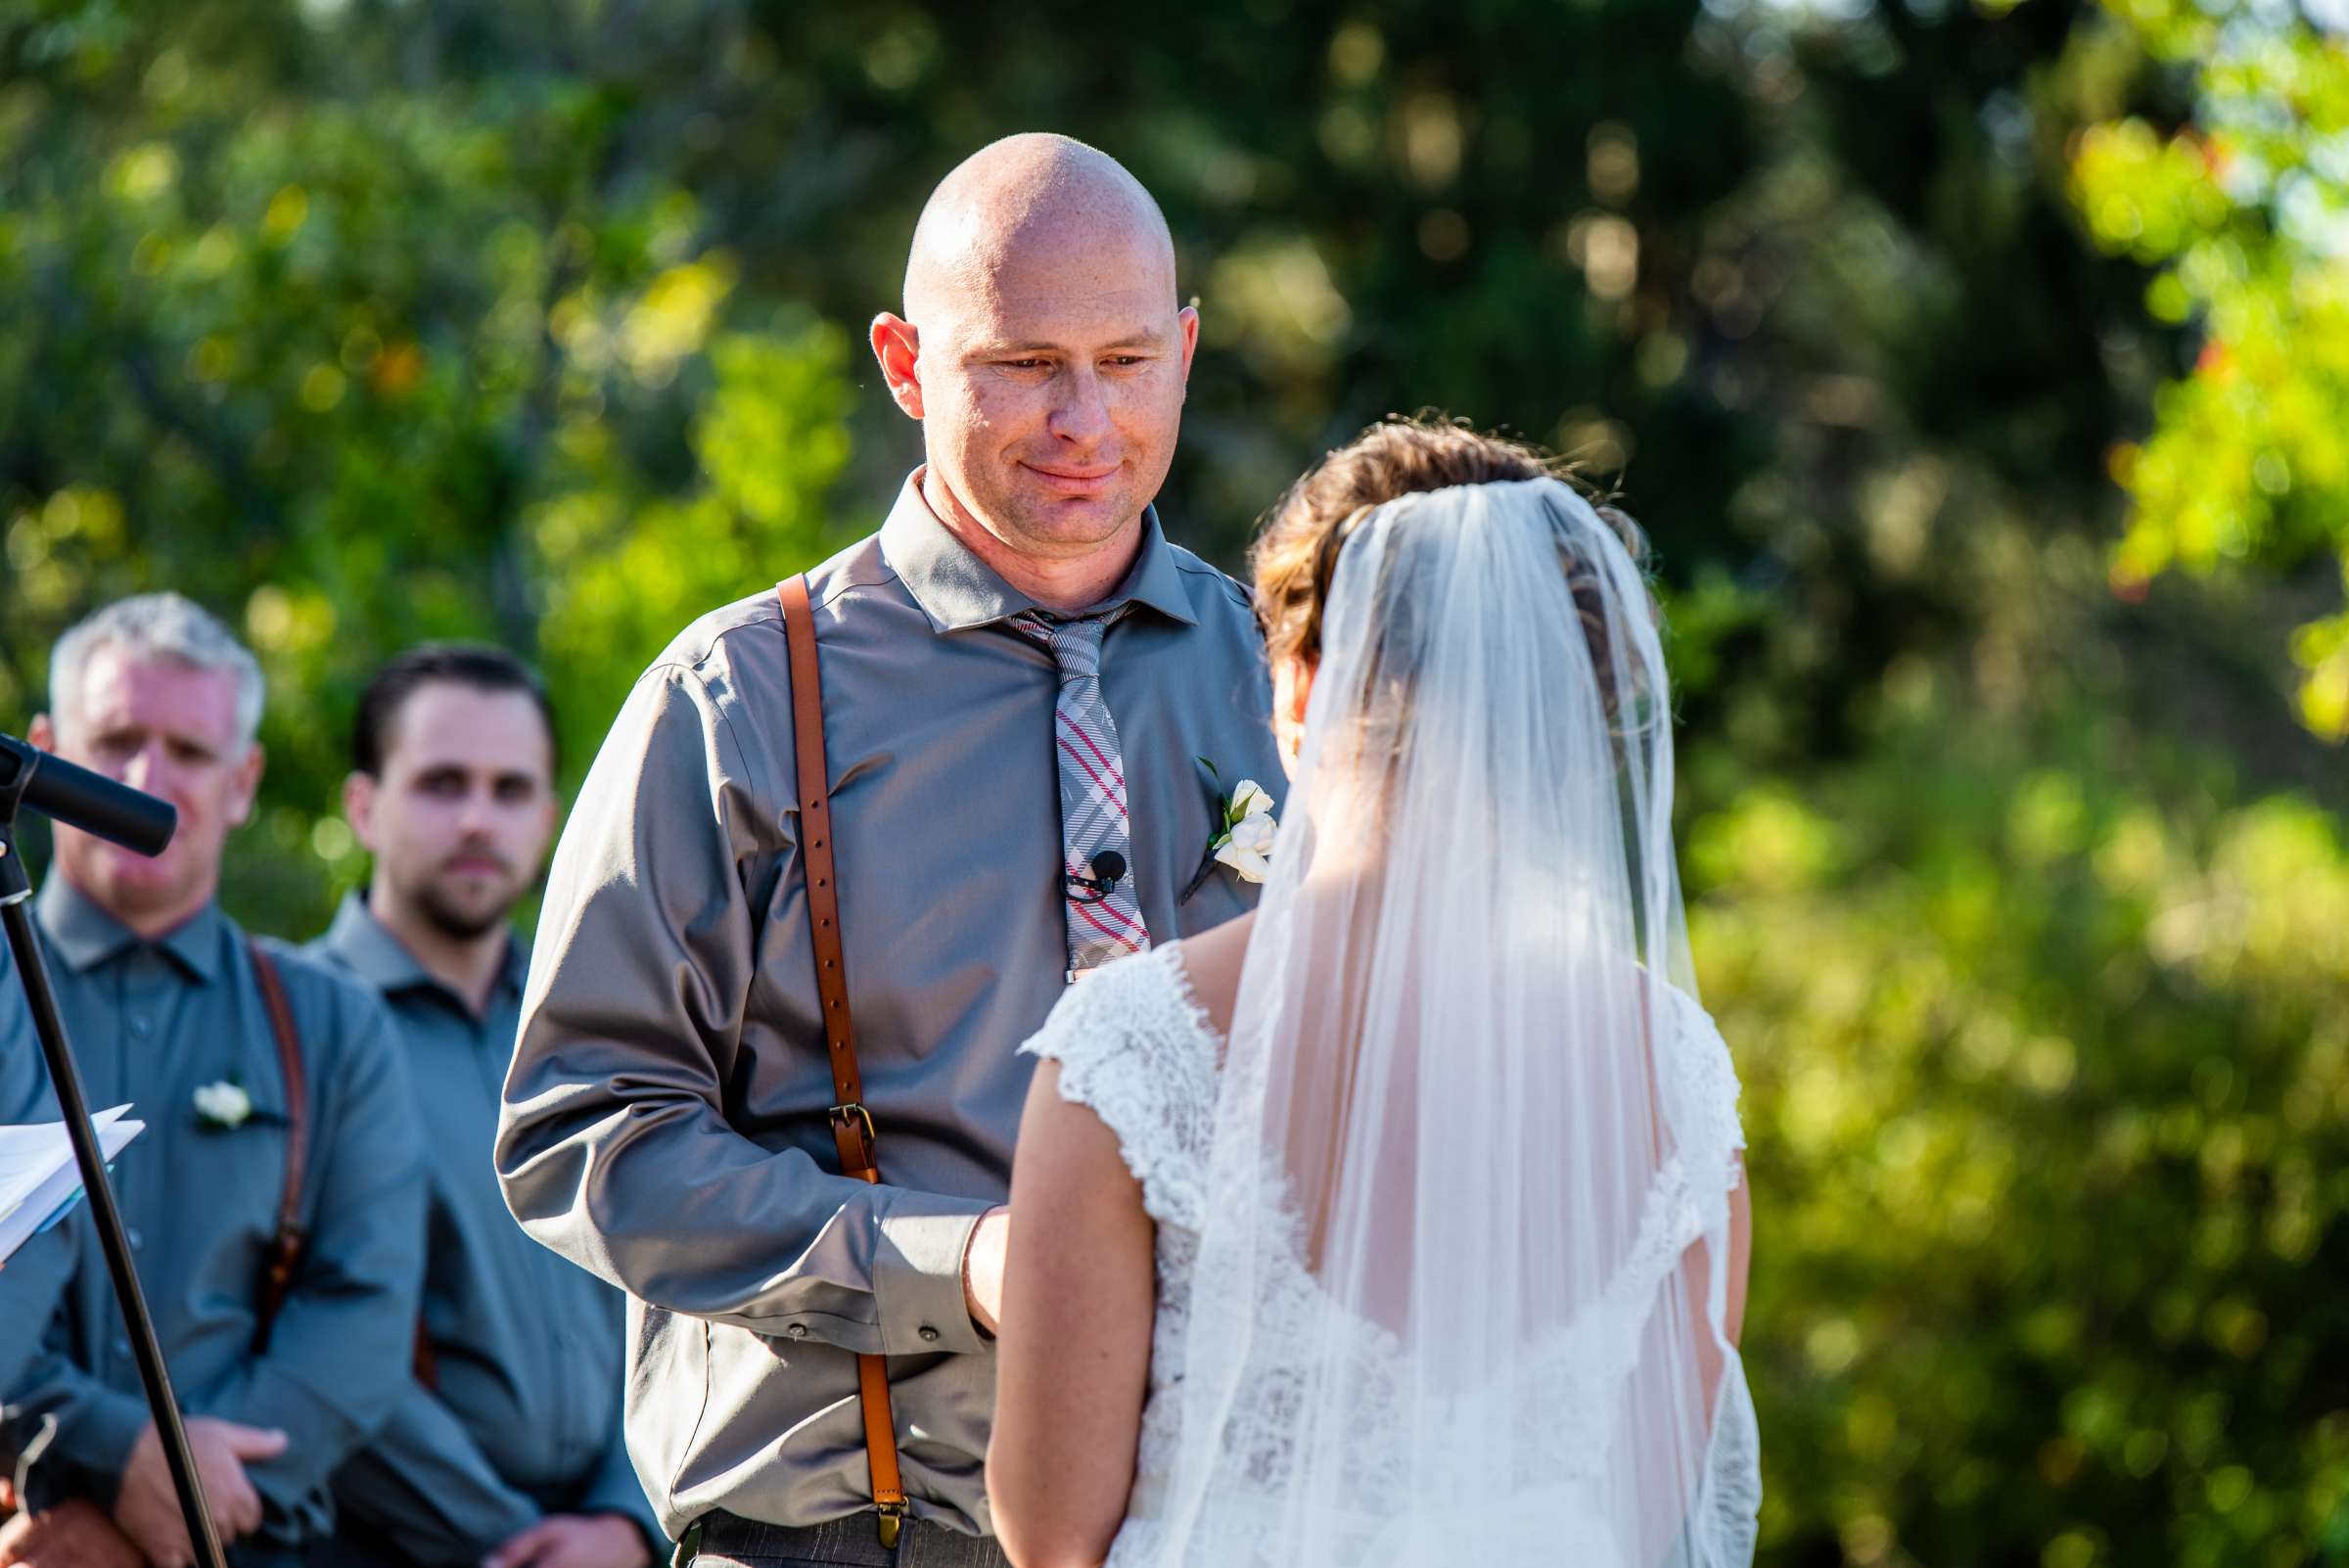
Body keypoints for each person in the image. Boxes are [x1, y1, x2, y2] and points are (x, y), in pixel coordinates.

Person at [495, 131, 1285, 1568]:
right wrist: (957, 1262)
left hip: (1235, 1518)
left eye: (1122, 360)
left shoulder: (1295, 679)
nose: (1083, 420)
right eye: (1021, 363)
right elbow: (583, 1130)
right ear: (906, 362)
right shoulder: (735, 696)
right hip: (853, 1530)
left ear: (1183, 350)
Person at [990, 421, 1762, 1568]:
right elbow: (1653, 1518)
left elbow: (1054, 1536)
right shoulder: (1671, 1068)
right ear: (1562, 701)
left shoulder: (1134, 1051)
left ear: (1301, 679)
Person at [0, 593, 426, 1568]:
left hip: (256, 1541)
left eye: (190, 753)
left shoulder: (332, 1019)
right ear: (39, 750)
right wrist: (104, 1452)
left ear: (243, 782)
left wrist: (176, 1483)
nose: (150, 777)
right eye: (114, 740)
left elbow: (363, 1313)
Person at [306, 647, 662, 1568]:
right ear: (361, 806)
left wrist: (628, 1520)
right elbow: (300, 1330)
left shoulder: (611, 1022)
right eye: (440, 784)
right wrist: (506, 1546)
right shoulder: (288, 1028)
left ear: (550, 819)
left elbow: (679, 1280)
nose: (476, 819)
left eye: (510, 791)